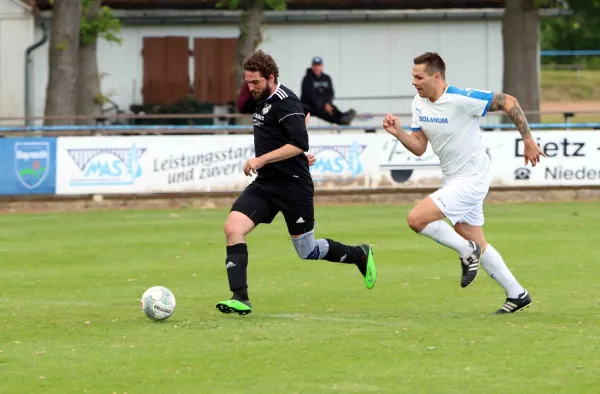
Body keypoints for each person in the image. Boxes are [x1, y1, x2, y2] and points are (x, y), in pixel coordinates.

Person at [382, 52, 546, 314]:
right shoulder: (419, 102)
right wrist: (399, 133)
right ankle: (518, 294)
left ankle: (465, 250)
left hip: (472, 179)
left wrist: (528, 140)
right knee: (477, 241)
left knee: (416, 219)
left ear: (436, 77)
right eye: (413, 76)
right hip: (453, 179)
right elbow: (419, 148)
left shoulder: (461, 98)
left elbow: (509, 101)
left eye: (418, 77)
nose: (414, 82)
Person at [216, 50, 376, 316]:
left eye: (255, 82)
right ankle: (240, 297)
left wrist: (264, 159)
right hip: (266, 185)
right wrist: (296, 155)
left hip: (293, 186)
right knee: (233, 227)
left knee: (307, 250)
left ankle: (360, 254)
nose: (250, 87)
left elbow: (301, 140)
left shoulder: (284, 101)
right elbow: (306, 114)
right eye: (248, 82)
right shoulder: (263, 98)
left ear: (271, 77)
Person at [300, 56, 356, 126]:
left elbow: (331, 93)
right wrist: (324, 105)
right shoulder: (307, 79)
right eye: (315, 65)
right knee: (322, 110)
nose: (317, 67)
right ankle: (341, 120)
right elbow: (311, 96)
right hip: (311, 107)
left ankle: (343, 117)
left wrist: (327, 103)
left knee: (332, 108)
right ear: (312, 66)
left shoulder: (327, 78)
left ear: (322, 66)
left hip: (324, 104)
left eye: (318, 65)